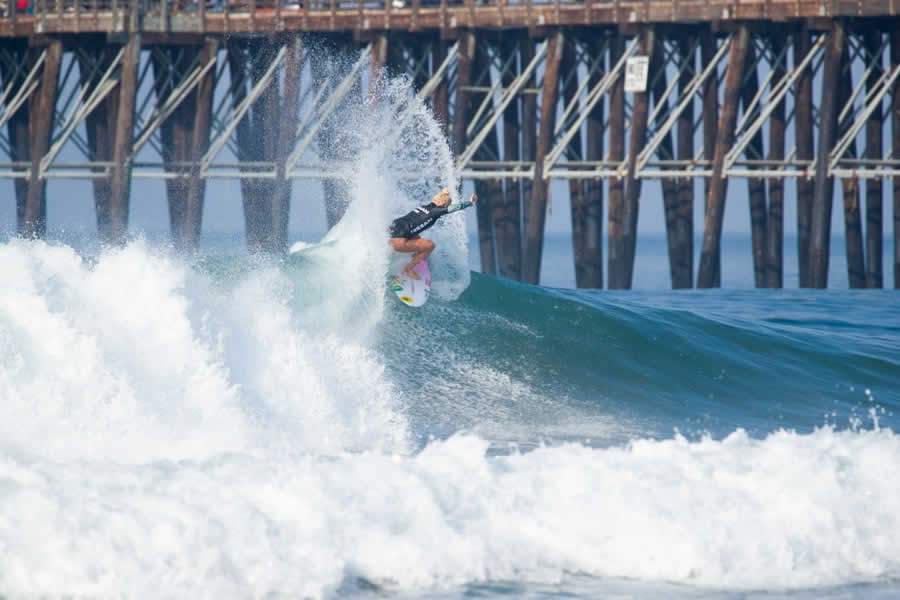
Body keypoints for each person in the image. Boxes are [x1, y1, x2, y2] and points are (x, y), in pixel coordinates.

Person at [388, 188, 477, 279]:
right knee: (430, 245)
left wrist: (445, 192)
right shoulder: (435, 212)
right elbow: (454, 208)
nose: (445, 208)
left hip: (389, 234)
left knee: (417, 236)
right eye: (446, 205)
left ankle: (413, 258)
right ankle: (408, 269)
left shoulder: (424, 207)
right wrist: (469, 203)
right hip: (398, 242)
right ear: (443, 204)